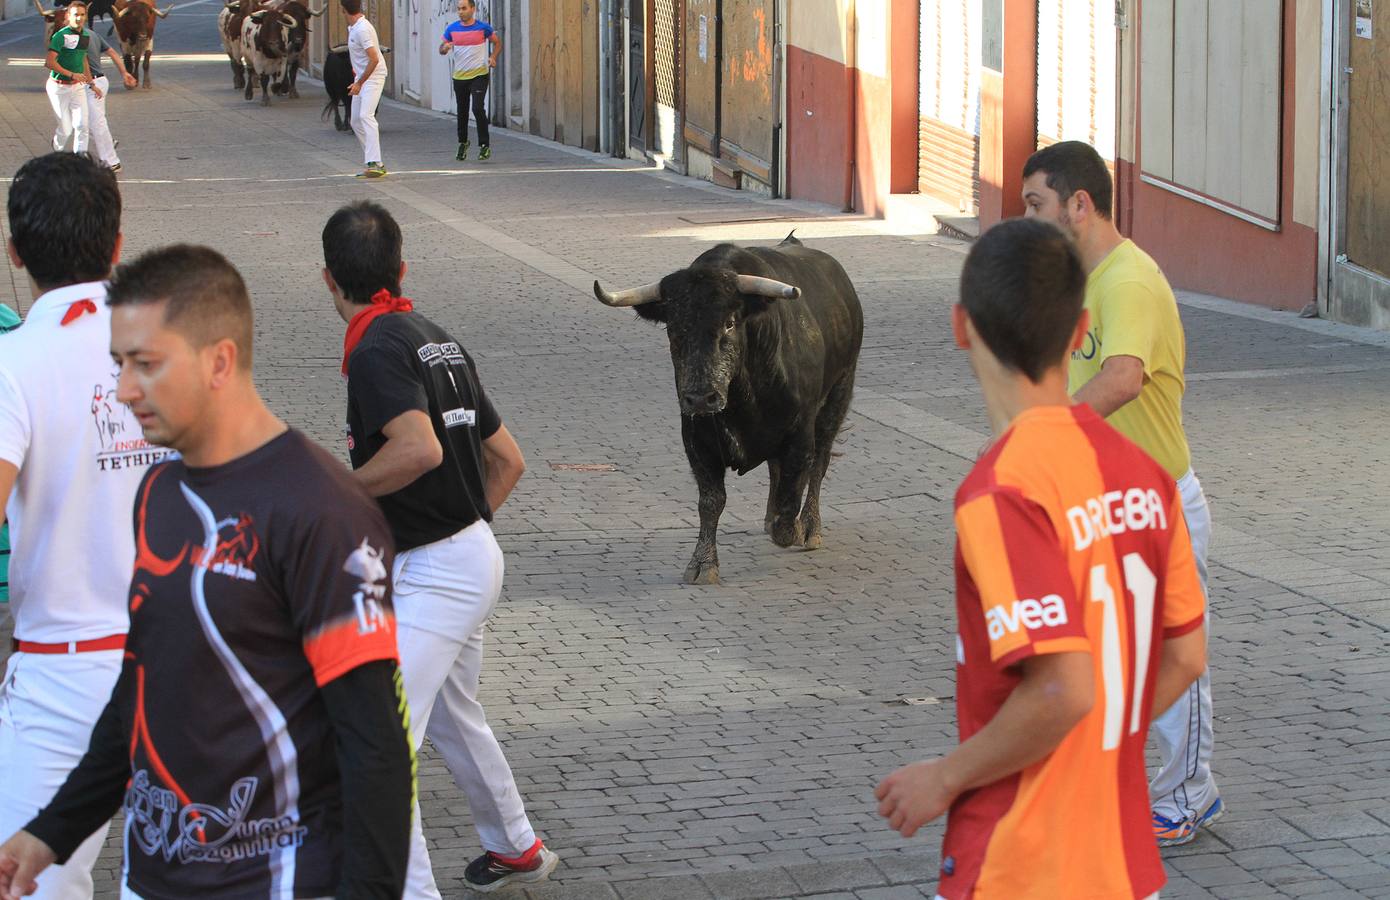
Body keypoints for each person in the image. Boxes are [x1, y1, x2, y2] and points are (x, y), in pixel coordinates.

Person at [0, 245, 415, 900]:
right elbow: (140, 690)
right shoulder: (160, 493)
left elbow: (377, 746)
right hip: (157, 878)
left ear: (220, 360)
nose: (124, 390)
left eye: (147, 364)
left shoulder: (321, 508)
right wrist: (51, 831)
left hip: (274, 883)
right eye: (119, 364)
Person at [874, 218, 1208, 899]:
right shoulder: (1148, 477)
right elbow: (1186, 657)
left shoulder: (1001, 492)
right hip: (1126, 864)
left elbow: (1063, 689)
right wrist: (1103, 739)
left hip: (1017, 864)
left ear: (961, 326)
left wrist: (945, 776)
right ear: (1083, 328)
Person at [321, 202, 558, 896]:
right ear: (401, 269)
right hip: (468, 554)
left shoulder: (372, 351)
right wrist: (466, 527)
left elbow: (418, 449)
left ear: (328, 281)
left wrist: (341, 493)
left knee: (380, 743)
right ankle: (515, 845)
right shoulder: (436, 338)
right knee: (453, 717)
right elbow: (508, 461)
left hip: (437, 569)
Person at [1021, 140, 1221, 847]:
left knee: (1172, 656)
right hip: (1106, 503)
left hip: (1160, 504)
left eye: (1036, 205)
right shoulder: (1081, 280)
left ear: (1081, 204)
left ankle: (1189, 795)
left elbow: (1125, 377)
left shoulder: (1127, 281)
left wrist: (1047, 434)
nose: (1030, 219)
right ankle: (1123, 782)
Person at [0, 152, 163, 900]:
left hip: (61, 674)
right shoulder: (176, 348)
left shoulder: (14, 363)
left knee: (29, 885)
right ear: (118, 242)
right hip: (183, 665)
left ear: (15, 254)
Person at [439, 0, 500, 161]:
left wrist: (493, 57)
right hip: (460, 77)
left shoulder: (483, 28)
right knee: (462, 111)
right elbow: (442, 48)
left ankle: (484, 145)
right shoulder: (452, 29)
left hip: (479, 75)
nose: (461, 12)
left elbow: (497, 42)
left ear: (473, 9)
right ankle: (463, 142)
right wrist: (445, 48)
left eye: (464, 8)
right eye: (459, 9)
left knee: (478, 108)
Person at [81, 12, 138, 172]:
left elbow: (82, 59)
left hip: (92, 83)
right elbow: (112, 52)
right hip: (95, 82)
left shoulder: (79, 37)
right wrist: (124, 73)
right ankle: (108, 143)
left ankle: (111, 161)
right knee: (83, 121)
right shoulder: (92, 34)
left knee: (96, 121)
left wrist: (90, 83)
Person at [44, 1, 97, 155]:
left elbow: (83, 59)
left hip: (77, 87)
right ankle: (57, 148)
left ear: (86, 17)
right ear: (68, 16)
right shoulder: (60, 36)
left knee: (82, 125)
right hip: (58, 87)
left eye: (82, 15)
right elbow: (49, 62)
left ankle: (79, 161)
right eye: (76, 15)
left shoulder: (86, 35)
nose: (79, 18)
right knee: (66, 130)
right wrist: (71, 74)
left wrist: (91, 84)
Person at [343, 0, 388, 178]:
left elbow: (374, 59)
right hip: (362, 78)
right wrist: (358, 80)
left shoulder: (362, 29)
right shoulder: (354, 28)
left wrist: (359, 83)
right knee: (355, 120)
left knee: (365, 116)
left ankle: (375, 163)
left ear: (344, 10)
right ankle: (374, 162)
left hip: (374, 77)